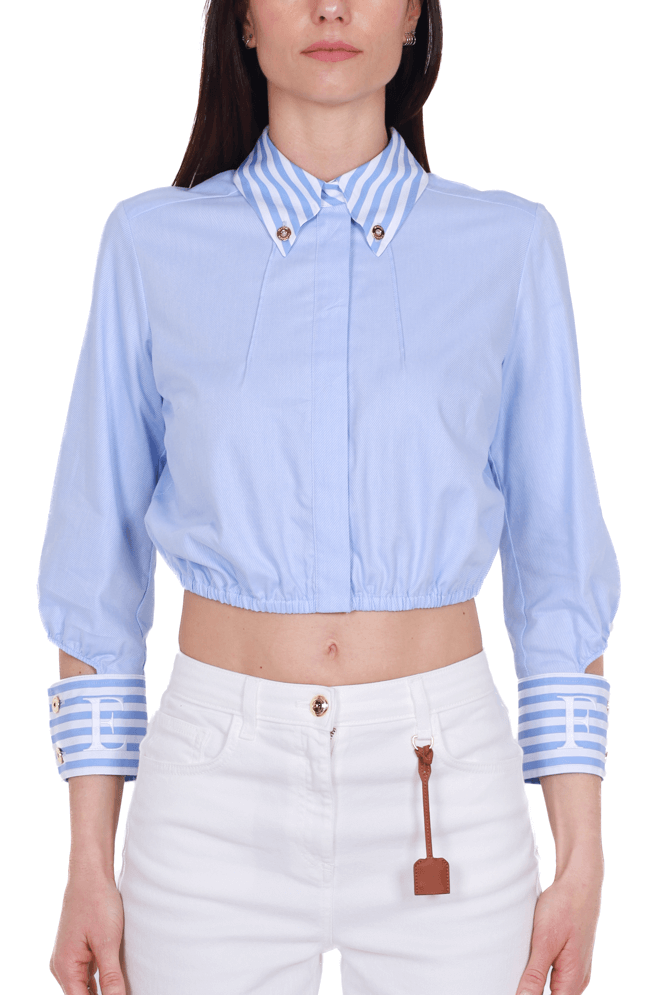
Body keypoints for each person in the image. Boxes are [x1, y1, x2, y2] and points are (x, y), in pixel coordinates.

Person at [39, 1, 620, 993]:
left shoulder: (508, 246)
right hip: (211, 792)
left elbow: (557, 566)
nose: (331, 8)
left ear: (414, 19)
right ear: (244, 23)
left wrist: (583, 856)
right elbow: (95, 573)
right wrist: (88, 860)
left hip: (446, 785)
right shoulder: (149, 244)